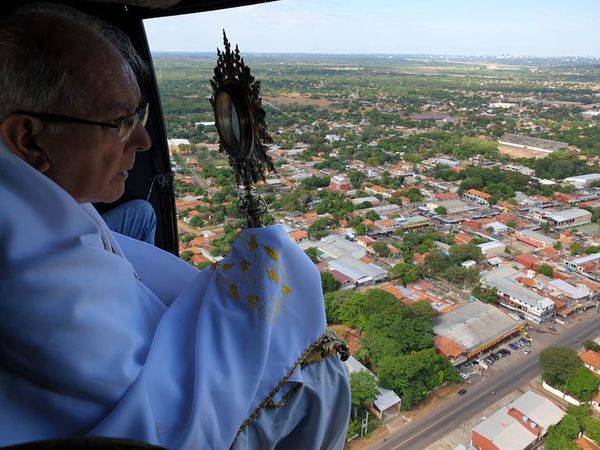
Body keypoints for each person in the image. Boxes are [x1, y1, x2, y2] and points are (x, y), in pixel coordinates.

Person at [0, 3, 350, 449]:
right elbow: (173, 418)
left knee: (141, 215)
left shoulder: (25, 201)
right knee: (316, 372)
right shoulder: (35, 280)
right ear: (29, 140)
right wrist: (276, 275)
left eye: (140, 117)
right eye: (121, 122)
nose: (143, 141)